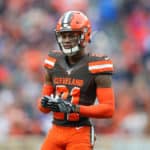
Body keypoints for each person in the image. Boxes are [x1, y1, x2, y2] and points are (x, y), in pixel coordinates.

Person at [37, 10, 115, 150]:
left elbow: (108, 109)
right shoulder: (53, 61)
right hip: (55, 130)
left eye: (72, 35)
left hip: (80, 132)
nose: (66, 40)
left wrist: (74, 108)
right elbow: (42, 109)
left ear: (85, 35)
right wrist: (47, 102)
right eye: (64, 35)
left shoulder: (98, 64)